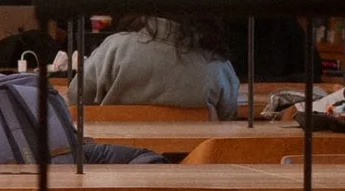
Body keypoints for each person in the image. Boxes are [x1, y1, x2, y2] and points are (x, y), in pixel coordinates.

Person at [78, 12, 242, 117]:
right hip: (195, 167)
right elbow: (228, 114)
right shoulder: (217, 65)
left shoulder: (114, 49)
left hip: (115, 163)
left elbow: (76, 97)